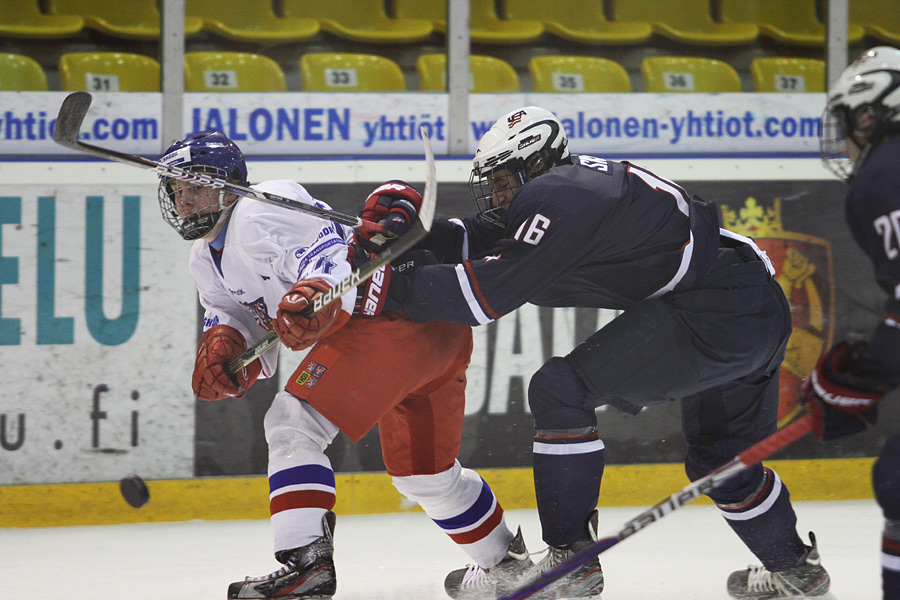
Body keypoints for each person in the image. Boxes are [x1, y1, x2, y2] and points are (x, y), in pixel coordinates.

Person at [355, 106, 830, 599]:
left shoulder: (559, 195)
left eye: (502, 180)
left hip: (715, 310)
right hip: (753, 305)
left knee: (561, 388)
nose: (496, 195)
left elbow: (483, 294)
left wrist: (390, 281)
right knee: (722, 460)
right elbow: (485, 235)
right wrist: (413, 238)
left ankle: (570, 562)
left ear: (536, 165)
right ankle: (796, 569)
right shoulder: (570, 189)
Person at [156, 130, 531, 600]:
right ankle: (512, 570)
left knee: (293, 422)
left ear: (229, 184)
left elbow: (330, 262)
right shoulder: (203, 261)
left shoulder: (261, 207)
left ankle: (304, 563)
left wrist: (313, 293)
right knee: (425, 475)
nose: (186, 200)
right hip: (437, 334)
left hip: (390, 320)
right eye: (177, 190)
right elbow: (238, 323)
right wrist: (225, 353)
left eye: (196, 187)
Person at [810, 45, 900, 600]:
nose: (843, 142)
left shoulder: (885, 174)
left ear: (870, 113)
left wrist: (863, 375)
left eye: (846, 124)